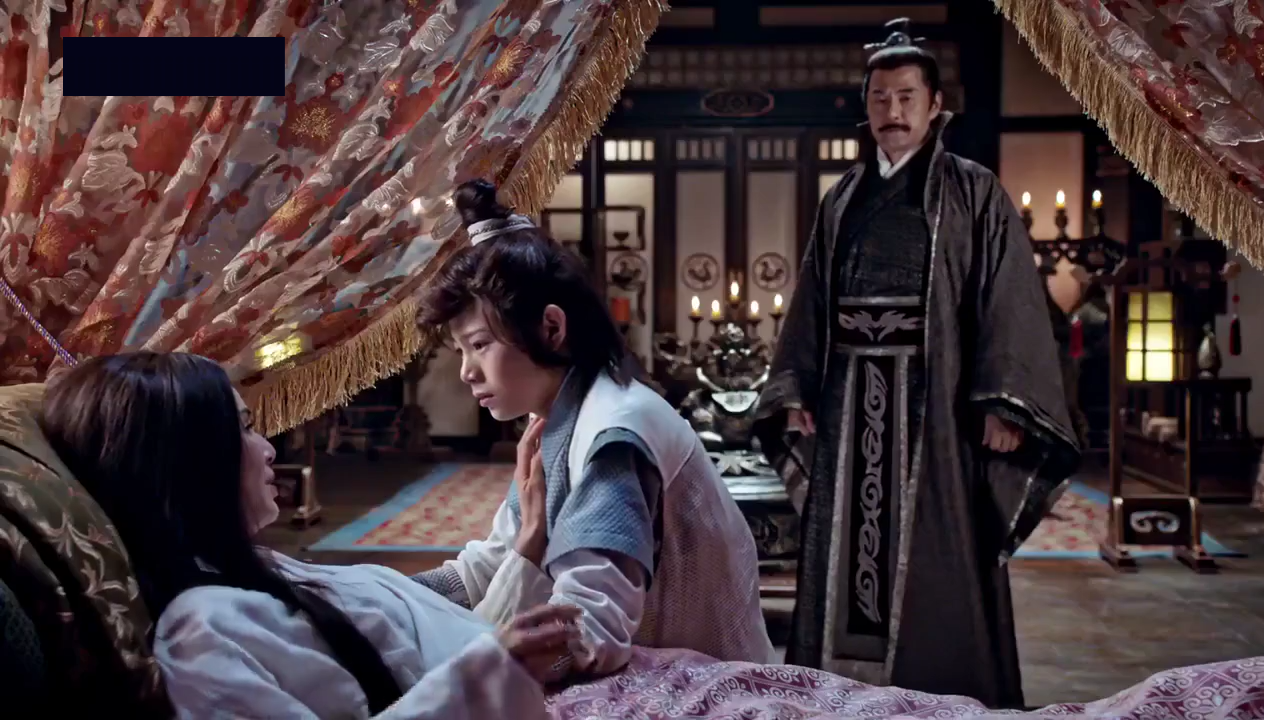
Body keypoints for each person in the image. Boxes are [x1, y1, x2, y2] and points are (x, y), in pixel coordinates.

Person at [752, 19, 1080, 709]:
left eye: (906, 97)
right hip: (849, 403)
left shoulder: (974, 192)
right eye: (880, 98)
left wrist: (1002, 401)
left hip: (941, 408)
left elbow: (1007, 298)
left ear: (935, 107)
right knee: (844, 549)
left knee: (938, 557)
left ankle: (944, 696)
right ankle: (842, 695)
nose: (893, 111)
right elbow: (812, 299)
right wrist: (796, 388)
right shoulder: (843, 199)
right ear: (866, 107)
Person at [38, 352, 581, 719]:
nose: (269, 448)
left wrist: (527, 543)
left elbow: (420, 627)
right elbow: (432, 663)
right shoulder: (201, 632)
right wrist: (491, 671)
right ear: (189, 465)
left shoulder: (262, 572)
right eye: (245, 428)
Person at [412, 179, 773, 681]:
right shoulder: (561, 415)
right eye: (461, 351)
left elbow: (592, 627)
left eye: (479, 345)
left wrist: (473, 665)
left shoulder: (614, 432)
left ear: (551, 328)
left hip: (701, 679)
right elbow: (495, 560)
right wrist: (393, 598)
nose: (467, 372)